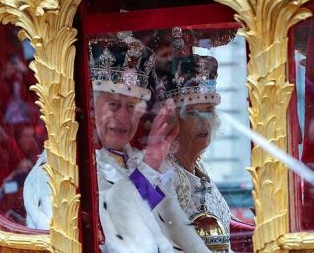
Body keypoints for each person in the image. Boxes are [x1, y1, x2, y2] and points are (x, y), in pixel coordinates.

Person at [24, 36, 209, 252]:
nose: (123, 117)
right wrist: (148, 168)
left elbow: (167, 228)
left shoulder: (135, 162)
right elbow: (114, 241)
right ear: (92, 107)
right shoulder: (57, 173)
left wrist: (150, 166)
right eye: (113, 105)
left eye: (132, 107)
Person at [154, 54, 232, 252]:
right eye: (191, 112)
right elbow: (141, 212)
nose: (203, 121)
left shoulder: (199, 166)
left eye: (207, 110)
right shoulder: (161, 172)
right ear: (171, 121)